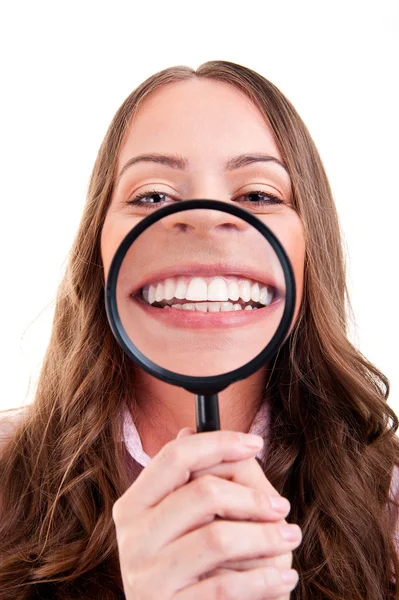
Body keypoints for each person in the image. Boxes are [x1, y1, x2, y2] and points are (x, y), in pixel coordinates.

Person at [0, 60, 398, 599]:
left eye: (258, 195)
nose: (205, 219)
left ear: (310, 253)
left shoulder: (389, 502)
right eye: (153, 196)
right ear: (99, 252)